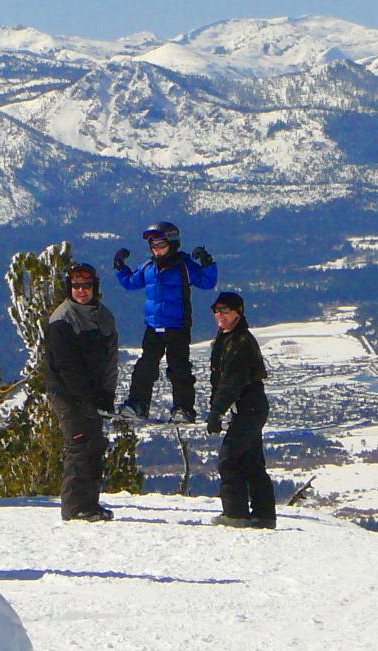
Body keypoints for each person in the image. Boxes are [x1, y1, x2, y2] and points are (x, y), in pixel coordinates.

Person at [112, 220, 218, 422]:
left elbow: (207, 281)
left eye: (161, 245)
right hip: (153, 326)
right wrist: (120, 267)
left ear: (173, 243)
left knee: (179, 368)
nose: (157, 250)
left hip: (177, 326)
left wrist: (207, 262)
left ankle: (183, 409)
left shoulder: (184, 266)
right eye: (153, 246)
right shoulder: (148, 268)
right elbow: (131, 282)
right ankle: (137, 405)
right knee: (145, 367)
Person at [42, 263, 120, 522]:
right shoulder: (62, 319)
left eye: (86, 286)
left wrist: (106, 395)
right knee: (78, 445)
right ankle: (75, 507)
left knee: (95, 445)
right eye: (76, 286)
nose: (81, 291)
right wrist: (84, 398)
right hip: (67, 394)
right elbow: (66, 366)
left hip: (94, 393)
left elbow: (110, 359)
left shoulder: (104, 316)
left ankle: (90, 503)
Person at [205, 291, 275, 530]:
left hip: (250, 408)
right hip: (248, 408)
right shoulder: (227, 337)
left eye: (225, 310)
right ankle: (264, 516)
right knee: (252, 461)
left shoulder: (241, 342)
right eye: (216, 310)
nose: (219, 315)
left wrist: (216, 412)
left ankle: (236, 515)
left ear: (238, 312)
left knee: (230, 459)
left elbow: (231, 382)